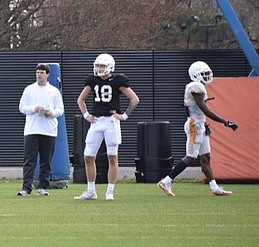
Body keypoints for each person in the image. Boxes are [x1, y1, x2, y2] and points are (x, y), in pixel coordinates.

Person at [157, 61, 238, 197]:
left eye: (207, 73)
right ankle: (166, 181)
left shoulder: (196, 87)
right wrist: (226, 122)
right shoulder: (196, 87)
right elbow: (206, 111)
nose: (206, 76)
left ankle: (214, 187)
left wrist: (205, 124)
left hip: (200, 124)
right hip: (195, 125)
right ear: (195, 75)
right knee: (191, 157)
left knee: (205, 157)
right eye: (203, 74)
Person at [75, 53, 139, 201]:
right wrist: (86, 115)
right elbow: (81, 99)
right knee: (88, 157)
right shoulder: (92, 80)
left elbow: (134, 99)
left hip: (111, 121)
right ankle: (91, 191)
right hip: (96, 121)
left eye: (102, 65)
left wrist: (124, 115)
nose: (99, 68)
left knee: (112, 157)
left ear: (110, 66)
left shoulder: (118, 81)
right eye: (98, 65)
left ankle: (110, 191)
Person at [17, 63, 65, 197]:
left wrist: (51, 113)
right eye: (37, 72)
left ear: (48, 74)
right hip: (32, 130)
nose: (39, 75)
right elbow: (22, 107)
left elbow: (60, 109)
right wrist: (34, 109)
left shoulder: (54, 91)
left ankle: (43, 186)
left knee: (46, 160)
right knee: (29, 160)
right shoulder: (29, 89)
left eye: (42, 72)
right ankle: (26, 187)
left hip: (49, 130)